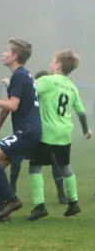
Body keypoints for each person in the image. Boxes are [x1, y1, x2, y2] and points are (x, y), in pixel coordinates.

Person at [23, 49, 91, 221]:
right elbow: (81, 113)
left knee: (35, 167)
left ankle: (39, 206)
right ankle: (73, 202)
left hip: (47, 132)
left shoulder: (47, 80)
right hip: (65, 132)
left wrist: (10, 83)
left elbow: (27, 90)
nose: (50, 65)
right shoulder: (71, 86)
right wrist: (86, 131)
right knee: (65, 166)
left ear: (58, 65)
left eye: (52, 61)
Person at [0, 38, 41, 222]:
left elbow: (12, 105)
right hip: (29, 132)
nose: (3, 53)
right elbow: (8, 106)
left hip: (27, 132)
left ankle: (12, 201)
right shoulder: (22, 75)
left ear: (15, 56)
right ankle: (2, 213)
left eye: (6, 51)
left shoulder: (19, 76)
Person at [3, 70, 67, 204]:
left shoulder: (45, 93)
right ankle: (13, 188)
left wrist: (8, 84)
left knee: (48, 162)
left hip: (42, 134)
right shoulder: (36, 93)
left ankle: (60, 194)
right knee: (19, 159)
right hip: (34, 132)